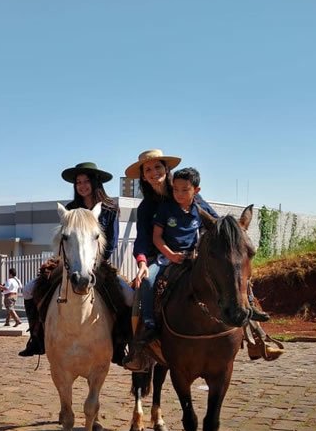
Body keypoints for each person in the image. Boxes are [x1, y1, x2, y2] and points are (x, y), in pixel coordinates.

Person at [123, 149, 282, 365]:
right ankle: (140, 345)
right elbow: (144, 237)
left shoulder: (190, 194)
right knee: (143, 289)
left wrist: (234, 232)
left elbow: (215, 222)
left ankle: (256, 331)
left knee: (233, 274)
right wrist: (142, 263)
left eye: (157, 167)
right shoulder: (147, 207)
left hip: (193, 255)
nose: (153, 172)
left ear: (167, 169)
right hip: (161, 257)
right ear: (143, 176)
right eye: (148, 170)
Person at [19, 161, 122, 357]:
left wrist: (96, 263)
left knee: (126, 295)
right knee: (29, 290)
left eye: (86, 181)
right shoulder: (70, 209)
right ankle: (36, 337)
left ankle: (120, 341)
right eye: (78, 182)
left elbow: (112, 242)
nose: (82, 186)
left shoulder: (110, 208)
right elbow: (63, 240)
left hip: (99, 263)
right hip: (68, 264)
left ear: (95, 182)